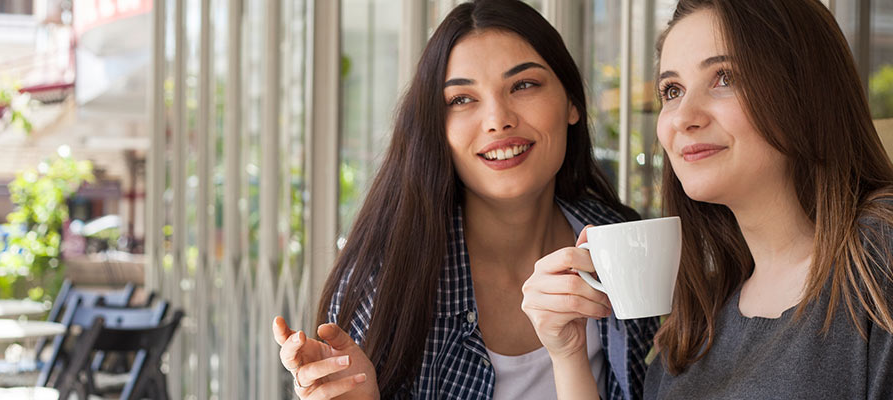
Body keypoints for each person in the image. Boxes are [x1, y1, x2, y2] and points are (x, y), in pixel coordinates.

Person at [522, 0, 893, 398]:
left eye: (724, 78)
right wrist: (568, 356)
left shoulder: (888, 244)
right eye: (672, 90)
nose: (684, 117)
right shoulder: (704, 309)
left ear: (801, 91)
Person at [272, 0, 658, 398]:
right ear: (436, 127)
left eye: (523, 85)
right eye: (461, 99)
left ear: (572, 103)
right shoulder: (387, 278)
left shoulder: (622, 243)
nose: (497, 119)